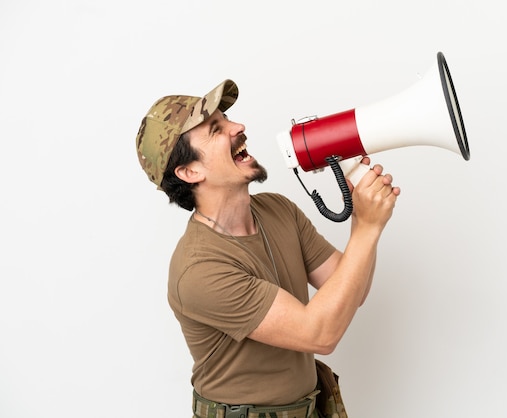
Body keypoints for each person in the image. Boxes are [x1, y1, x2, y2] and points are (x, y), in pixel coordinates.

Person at [135, 79, 400, 418]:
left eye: (227, 118)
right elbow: (321, 334)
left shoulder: (278, 209)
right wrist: (367, 228)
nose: (238, 126)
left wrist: (365, 221)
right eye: (216, 129)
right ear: (189, 171)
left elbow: (352, 288)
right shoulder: (199, 269)